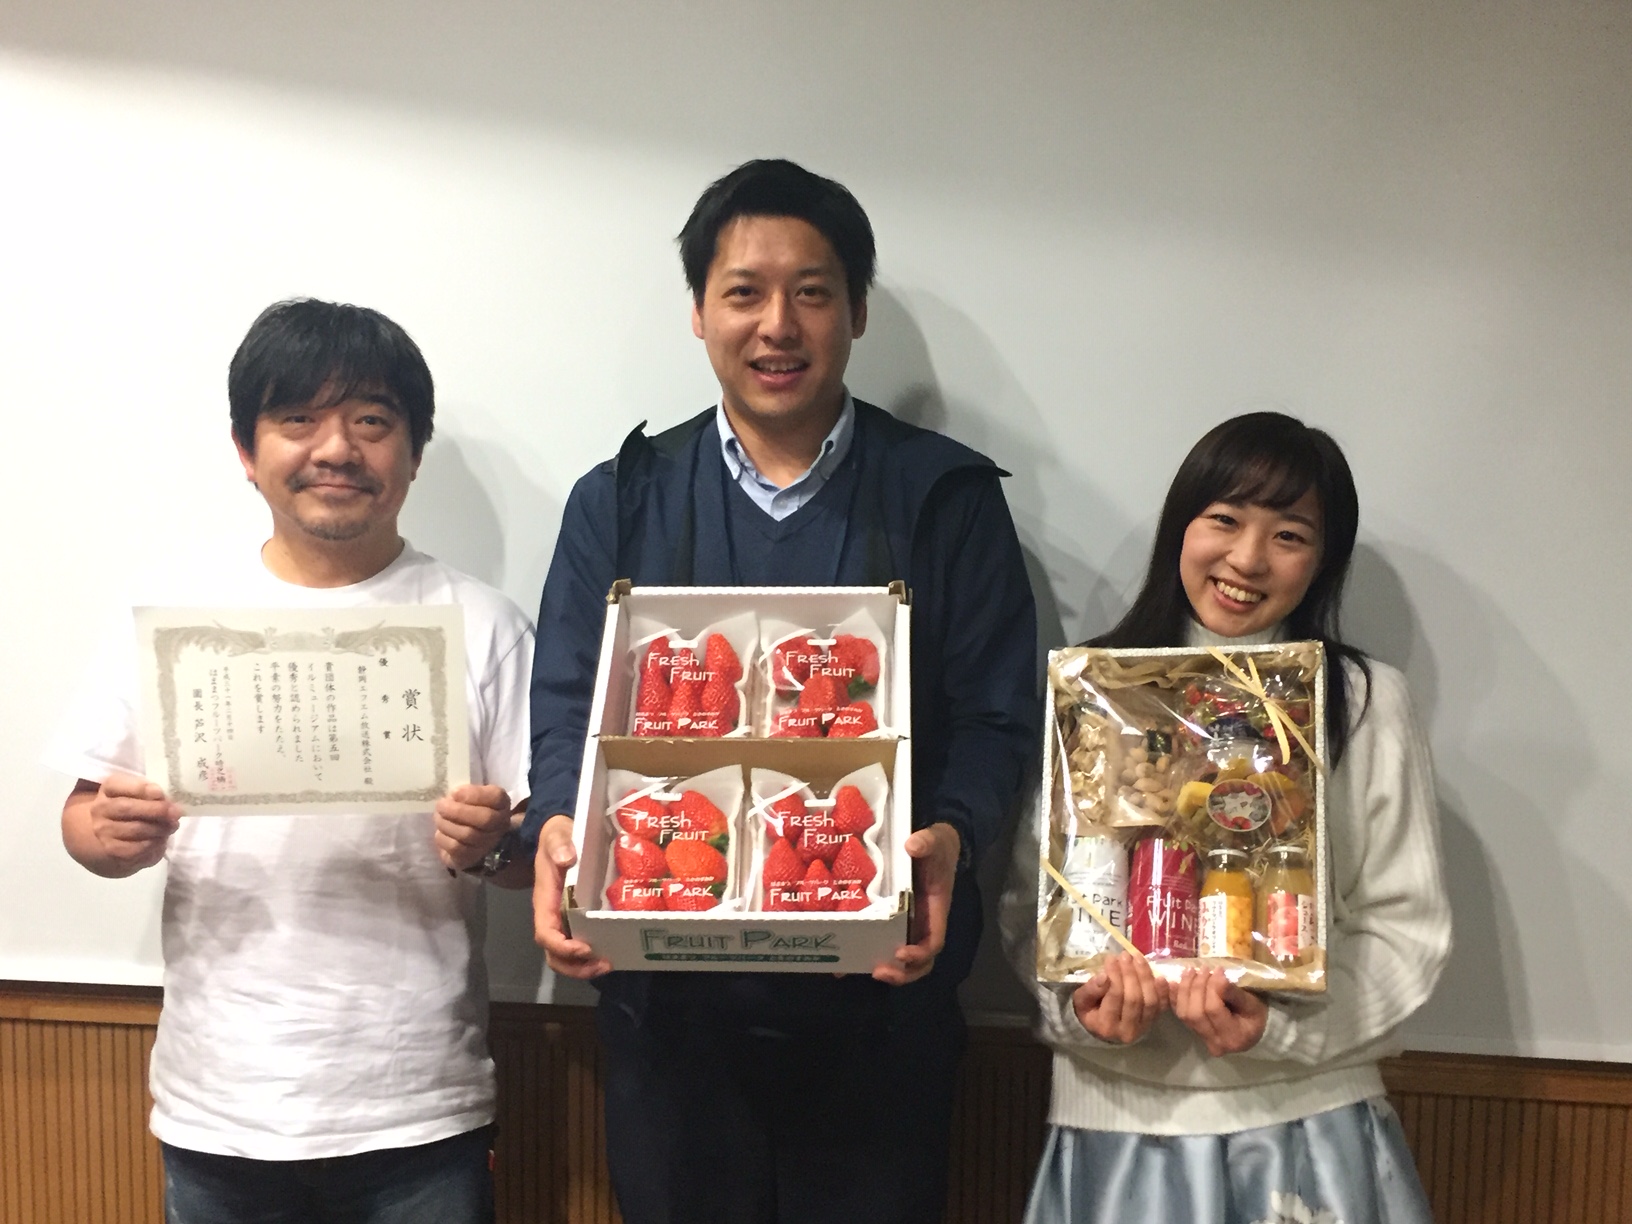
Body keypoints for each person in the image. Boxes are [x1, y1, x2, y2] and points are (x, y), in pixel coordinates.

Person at [523, 158, 1038, 1223]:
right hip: (669, 1013)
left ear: (856, 311)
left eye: (811, 292)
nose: (777, 326)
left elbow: (997, 717)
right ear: (698, 313)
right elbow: (569, 707)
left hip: (881, 1010)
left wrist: (951, 831)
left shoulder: (946, 498)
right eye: (743, 293)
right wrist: (562, 829)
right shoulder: (619, 500)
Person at [46, 299, 534, 1224]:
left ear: (414, 453)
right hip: (219, 1100)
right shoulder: (175, 613)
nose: (336, 449)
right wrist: (109, 835)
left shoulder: (484, 623)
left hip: (418, 1101)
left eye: (372, 421)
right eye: (298, 418)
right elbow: (81, 820)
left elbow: (534, 858)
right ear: (246, 449)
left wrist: (493, 846)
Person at [1002, 412, 1452, 1223]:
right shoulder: (1093, 691)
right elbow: (1032, 906)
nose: (1247, 559)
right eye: (1224, 519)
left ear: (1324, 561)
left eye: (1289, 535)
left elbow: (1405, 925)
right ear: (1182, 526)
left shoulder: (1364, 702)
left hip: (1305, 1122)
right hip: (1118, 1126)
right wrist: (1081, 1012)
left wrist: (1280, 1031)